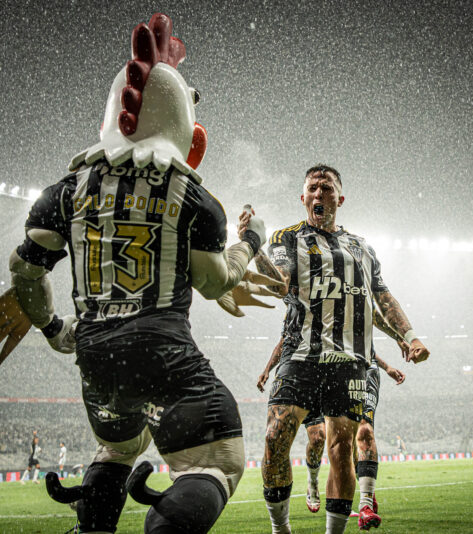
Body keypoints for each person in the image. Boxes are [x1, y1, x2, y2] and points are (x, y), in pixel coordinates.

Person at [6, 13, 278, 534]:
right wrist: (251, 241)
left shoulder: (65, 191)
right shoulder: (193, 197)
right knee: (216, 461)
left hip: (95, 357)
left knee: (118, 446)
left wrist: (54, 329)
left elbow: (25, 270)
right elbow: (217, 282)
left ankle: (94, 526)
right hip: (161, 349)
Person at [246, 164, 430, 533]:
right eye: (313, 188)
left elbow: (381, 297)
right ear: (303, 197)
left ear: (340, 198)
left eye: (326, 187)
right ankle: (280, 528)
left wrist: (409, 335)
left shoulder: (361, 247)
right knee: (274, 440)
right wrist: (253, 247)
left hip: (349, 362)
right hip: (300, 355)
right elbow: (279, 285)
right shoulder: (286, 238)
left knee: (342, 450)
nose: (319, 193)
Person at [258, 339, 406, 516]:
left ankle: (348, 501)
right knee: (317, 437)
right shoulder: (305, 327)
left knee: (346, 438)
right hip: (308, 370)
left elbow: (361, 340)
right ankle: (313, 482)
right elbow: (286, 338)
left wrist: (388, 363)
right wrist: (267, 369)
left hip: (338, 373)